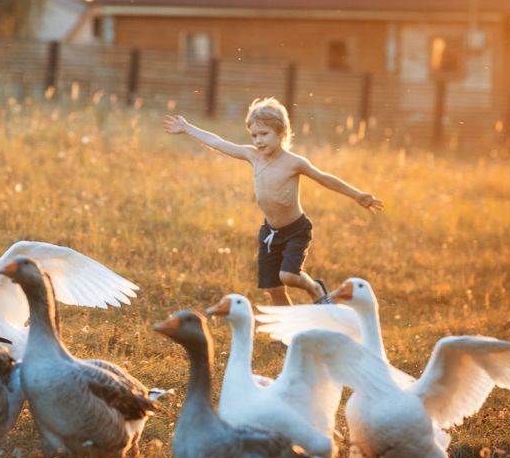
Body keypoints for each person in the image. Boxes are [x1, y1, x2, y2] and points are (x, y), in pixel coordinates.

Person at [163, 97, 383, 306]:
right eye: (254, 135)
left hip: (296, 230)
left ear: (282, 133)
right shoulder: (253, 155)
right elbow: (218, 142)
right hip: (269, 232)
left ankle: (315, 288)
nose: (258, 140)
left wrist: (357, 195)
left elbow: (325, 179)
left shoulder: (294, 163)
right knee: (274, 289)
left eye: (264, 134)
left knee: (287, 275)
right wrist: (187, 128)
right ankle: (287, 336)